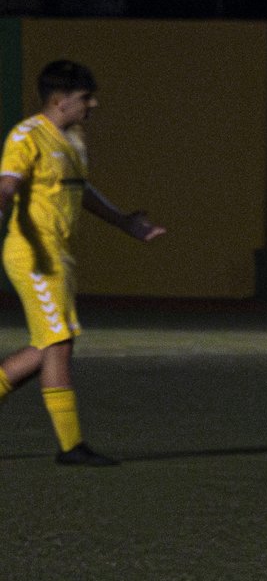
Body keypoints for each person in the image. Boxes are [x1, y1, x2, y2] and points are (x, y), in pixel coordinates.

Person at [0, 59, 168, 465]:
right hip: (34, 255)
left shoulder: (72, 139)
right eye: (85, 97)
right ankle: (71, 447)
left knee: (48, 345)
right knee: (58, 343)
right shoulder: (27, 135)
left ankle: (71, 446)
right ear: (59, 100)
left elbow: (82, 191)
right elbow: (6, 185)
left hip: (59, 256)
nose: (93, 104)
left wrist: (124, 222)